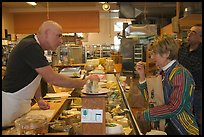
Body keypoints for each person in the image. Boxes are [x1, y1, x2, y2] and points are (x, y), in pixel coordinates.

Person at [2, 20, 99, 127]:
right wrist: (85, 82)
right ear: (47, 33)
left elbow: (35, 76)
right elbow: (53, 79)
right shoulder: (30, 47)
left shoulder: (33, 44)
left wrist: (39, 99)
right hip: (9, 107)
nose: (61, 41)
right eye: (58, 36)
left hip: (20, 106)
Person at [135, 35, 199, 135]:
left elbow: (175, 107)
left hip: (181, 129)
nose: (152, 57)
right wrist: (142, 76)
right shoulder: (161, 73)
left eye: (155, 53)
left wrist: (147, 114)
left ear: (167, 53)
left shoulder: (180, 74)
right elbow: (152, 99)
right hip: (164, 127)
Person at [178, 25, 202, 135]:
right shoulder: (182, 49)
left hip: (197, 91)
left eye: (193, 33)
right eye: (189, 31)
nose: (189, 34)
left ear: (200, 37)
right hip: (181, 89)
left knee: (197, 118)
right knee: (183, 117)